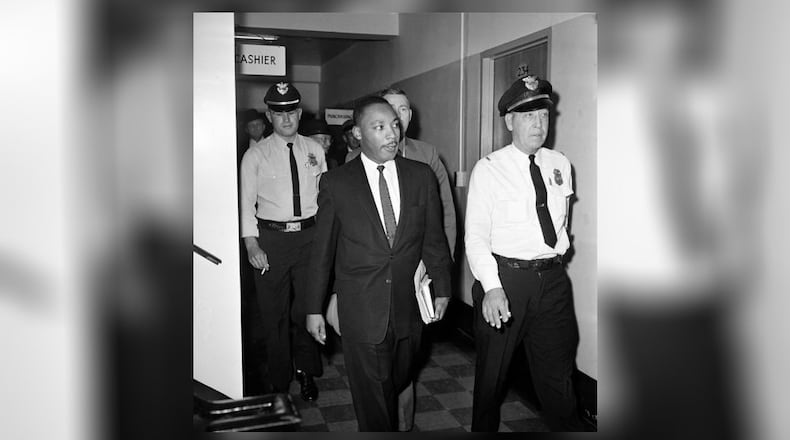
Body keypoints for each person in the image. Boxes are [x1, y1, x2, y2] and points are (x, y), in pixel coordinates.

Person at [304, 96, 452, 431]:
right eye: (379, 126)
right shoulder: (337, 183)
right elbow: (322, 251)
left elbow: (433, 239)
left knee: (399, 382)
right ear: (357, 133)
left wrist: (443, 287)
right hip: (360, 309)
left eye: (395, 125)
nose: (391, 134)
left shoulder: (421, 177)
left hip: (408, 308)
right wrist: (314, 308)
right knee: (373, 405)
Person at [465, 75, 585, 431]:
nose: (538, 124)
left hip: (552, 280)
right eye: (528, 115)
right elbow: (475, 236)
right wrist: (491, 287)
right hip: (506, 281)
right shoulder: (489, 170)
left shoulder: (559, 164)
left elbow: (560, 226)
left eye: (544, 115)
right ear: (509, 121)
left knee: (558, 376)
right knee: (492, 378)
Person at [343, 87, 457, 431]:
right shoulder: (355, 164)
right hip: (374, 289)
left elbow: (445, 220)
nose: (396, 123)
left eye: (403, 112)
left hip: (417, 279)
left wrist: (437, 273)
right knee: (381, 376)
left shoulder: (427, 157)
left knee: (405, 370)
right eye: (389, 114)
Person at [239, 81, 326, 402]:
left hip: (309, 238)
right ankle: (279, 380)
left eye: (291, 111)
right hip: (271, 240)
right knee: (272, 312)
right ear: (269, 115)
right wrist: (251, 244)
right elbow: (246, 204)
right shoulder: (255, 155)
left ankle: (306, 372)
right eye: (278, 112)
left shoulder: (315, 150)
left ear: (300, 113)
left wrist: (324, 241)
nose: (286, 118)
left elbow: (324, 199)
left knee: (306, 308)